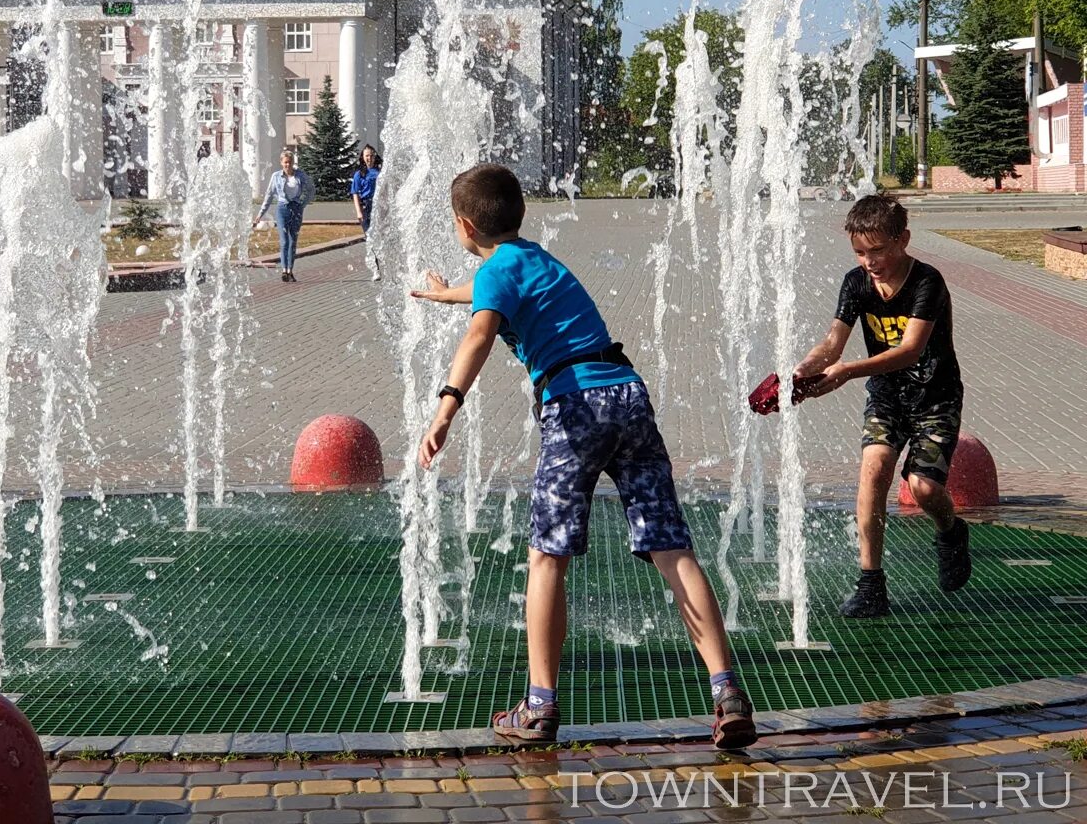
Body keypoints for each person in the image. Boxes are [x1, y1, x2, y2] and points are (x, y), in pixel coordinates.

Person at [412, 162, 757, 751]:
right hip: (626, 394)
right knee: (672, 549)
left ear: (465, 225)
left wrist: (446, 408)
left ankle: (539, 708)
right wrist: (447, 292)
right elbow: (493, 287)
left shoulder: (498, 271)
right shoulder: (536, 259)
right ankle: (727, 693)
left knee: (548, 558)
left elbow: (481, 332)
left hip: (574, 410)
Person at [794, 193, 970, 619]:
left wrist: (845, 372)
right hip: (887, 395)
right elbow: (833, 343)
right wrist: (804, 369)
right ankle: (871, 583)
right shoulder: (856, 283)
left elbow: (911, 350)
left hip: (935, 396)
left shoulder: (927, 282)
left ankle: (951, 530)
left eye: (877, 251)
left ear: (902, 239)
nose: (869, 262)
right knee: (873, 470)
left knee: (925, 488)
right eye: (859, 252)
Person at [254, 148, 315, 283]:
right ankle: (283, 270)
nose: (288, 165)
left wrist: (303, 203)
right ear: (281, 163)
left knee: (293, 241)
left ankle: (290, 270)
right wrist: (260, 214)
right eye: (285, 162)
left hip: (296, 209)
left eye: (290, 162)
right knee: (284, 241)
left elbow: (311, 190)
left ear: (293, 162)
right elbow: (269, 195)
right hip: (282, 209)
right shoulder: (276, 176)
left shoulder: (300, 175)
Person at [350, 144, 381, 281]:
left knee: (380, 238)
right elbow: (355, 193)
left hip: (379, 206)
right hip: (366, 206)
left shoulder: (379, 172)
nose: (369, 158)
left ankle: (383, 264)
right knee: (370, 239)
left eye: (371, 155)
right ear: (362, 157)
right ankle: (376, 269)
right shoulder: (359, 174)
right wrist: (359, 211)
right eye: (367, 156)